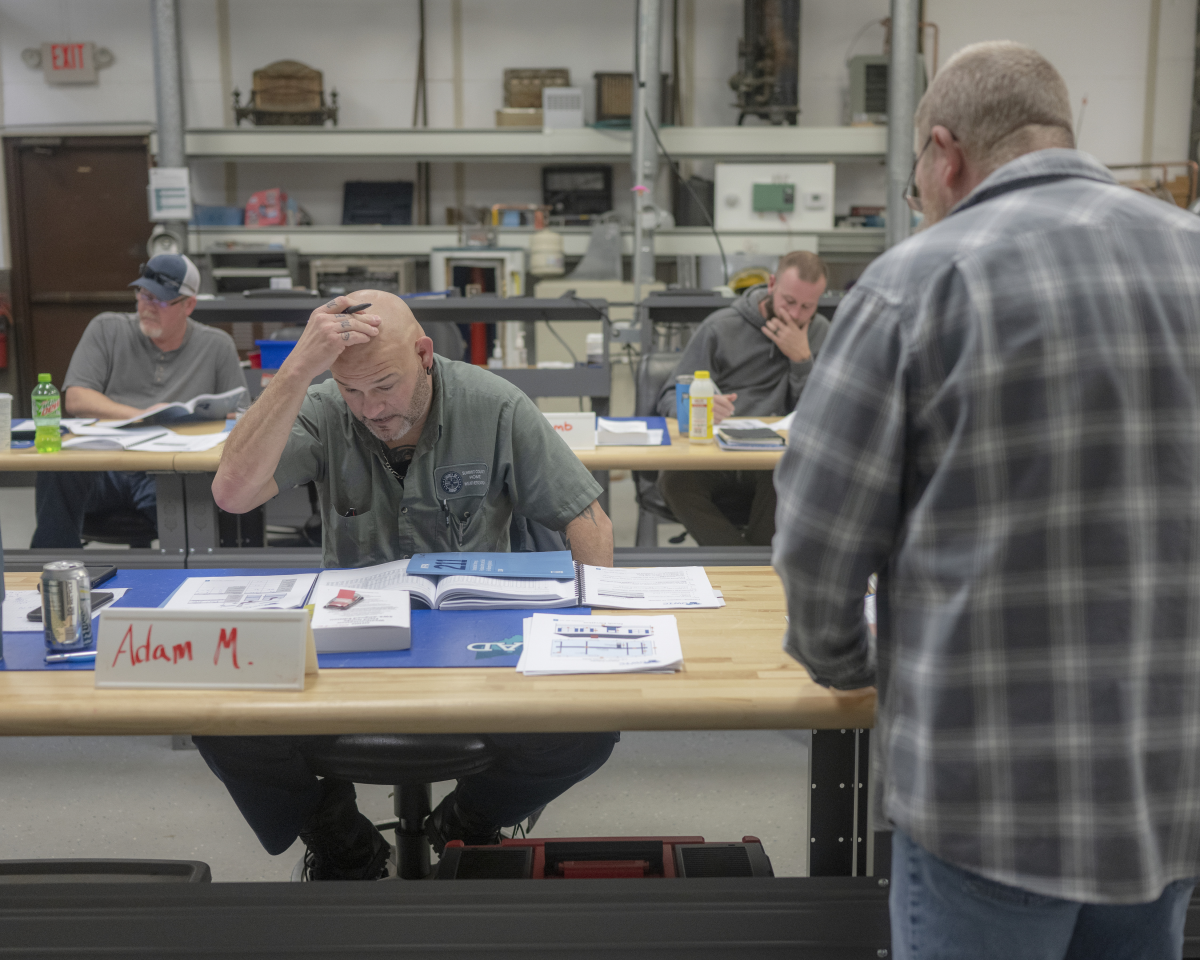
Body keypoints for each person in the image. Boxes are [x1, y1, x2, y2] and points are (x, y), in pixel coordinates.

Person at [772, 41, 1200, 959]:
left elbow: (817, 537)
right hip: (1171, 782)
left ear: (944, 150)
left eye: (916, 173)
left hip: (995, 795)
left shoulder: (914, 285)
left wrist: (847, 663)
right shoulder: (1191, 258)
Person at [194, 289, 617, 880]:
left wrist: (590, 631)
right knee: (214, 712)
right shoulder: (322, 407)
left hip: (478, 660)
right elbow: (232, 493)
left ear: (423, 353)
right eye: (352, 390)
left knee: (592, 725)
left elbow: (587, 517)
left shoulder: (492, 405)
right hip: (346, 657)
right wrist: (296, 370)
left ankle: (468, 824)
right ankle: (337, 835)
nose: (370, 409)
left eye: (384, 386)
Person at [30, 254, 244, 548]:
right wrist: (144, 415)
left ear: (189, 305)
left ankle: (193, 577)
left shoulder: (217, 345)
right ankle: (52, 569)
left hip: (169, 472)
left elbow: (241, 415)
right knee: (58, 469)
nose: (148, 306)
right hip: (105, 469)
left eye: (161, 300)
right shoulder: (107, 328)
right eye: (144, 295)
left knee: (195, 498)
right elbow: (77, 398)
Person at [654, 251, 830, 546]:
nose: (796, 315)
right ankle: (740, 561)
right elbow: (670, 396)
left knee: (788, 477)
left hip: (775, 458)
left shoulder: (821, 332)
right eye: (788, 301)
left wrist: (802, 359)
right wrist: (701, 409)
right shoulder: (720, 327)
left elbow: (826, 412)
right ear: (772, 284)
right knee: (673, 481)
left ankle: (750, 564)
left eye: (807, 307)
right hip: (717, 455)